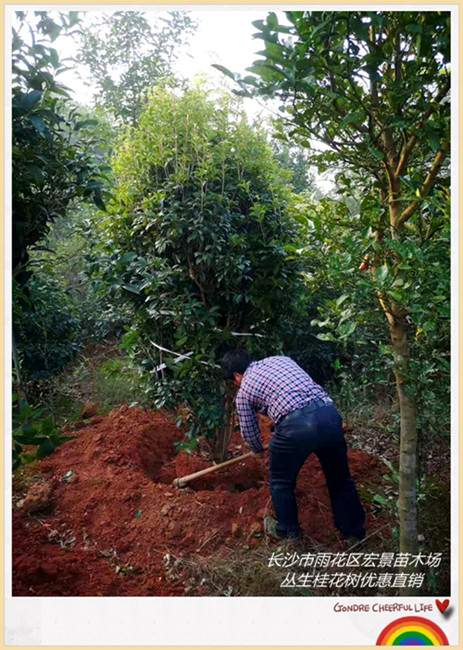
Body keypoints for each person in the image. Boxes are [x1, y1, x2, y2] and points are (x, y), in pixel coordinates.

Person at [220, 350, 366, 542]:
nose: (236, 384)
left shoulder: (244, 392)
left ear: (237, 375)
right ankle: (354, 532)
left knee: (280, 482)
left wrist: (257, 449)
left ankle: (289, 533)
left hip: (297, 427)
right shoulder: (281, 359)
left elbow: (249, 431)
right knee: (340, 479)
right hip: (328, 414)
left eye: (234, 381)